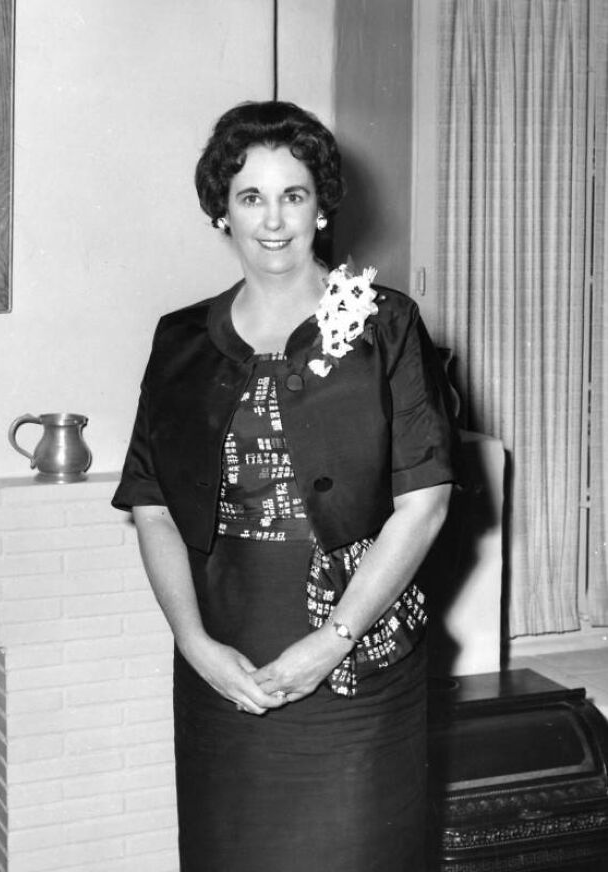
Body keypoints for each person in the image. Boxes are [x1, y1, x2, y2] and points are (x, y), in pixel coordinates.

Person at [112, 100, 457, 872]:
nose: (274, 220)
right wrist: (195, 644)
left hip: (357, 665)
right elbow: (152, 505)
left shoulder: (386, 325)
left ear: (323, 205)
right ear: (220, 212)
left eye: (293, 194)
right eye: (250, 196)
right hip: (224, 661)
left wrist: (330, 643)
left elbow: (425, 504)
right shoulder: (180, 339)